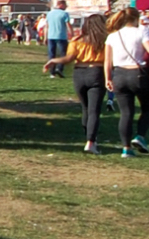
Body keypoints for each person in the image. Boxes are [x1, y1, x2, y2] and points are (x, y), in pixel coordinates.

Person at [45, 14, 109, 154]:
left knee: (85, 108)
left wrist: (54, 61)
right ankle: (91, 141)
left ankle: (88, 136)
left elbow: (69, 58)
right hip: (97, 72)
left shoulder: (77, 41)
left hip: (79, 73)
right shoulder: (105, 42)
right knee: (94, 110)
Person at [105, 7, 149, 158]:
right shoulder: (142, 31)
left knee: (126, 113)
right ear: (137, 18)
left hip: (119, 74)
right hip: (138, 73)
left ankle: (126, 148)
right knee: (148, 108)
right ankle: (140, 136)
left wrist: (107, 79)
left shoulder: (113, 35)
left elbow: (107, 61)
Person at [45, 0, 71, 78]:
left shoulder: (49, 14)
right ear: (61, 5)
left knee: (51, 54)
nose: (66, 7)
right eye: (65, 5)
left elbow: (46, 26)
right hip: (61, 36)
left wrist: (45, 36)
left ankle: (52, 72)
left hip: (51, 36)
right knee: (63, 53)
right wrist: (72, 35)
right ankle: (59, 69)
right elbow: (68, 25)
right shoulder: (64, 14)